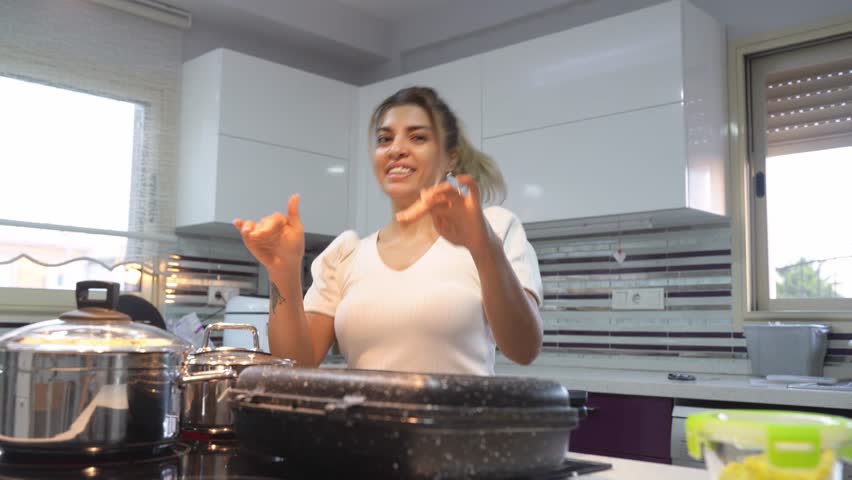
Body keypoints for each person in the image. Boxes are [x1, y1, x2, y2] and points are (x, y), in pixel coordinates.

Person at [233, 86, 543, 376]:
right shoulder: (347, 254)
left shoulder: (495, 229)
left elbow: (524, 348)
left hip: (457, 433)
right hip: (361, 433)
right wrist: (282, 272)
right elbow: (295, 366)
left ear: (451, 156)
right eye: (384, 139)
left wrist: (483, 248)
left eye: (418, 137)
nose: (396, 149)